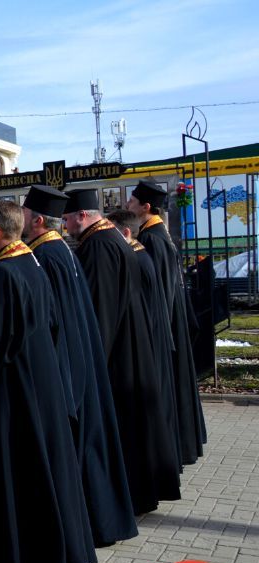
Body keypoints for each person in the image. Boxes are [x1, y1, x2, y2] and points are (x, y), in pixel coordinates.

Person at [0, 201, 97, 563]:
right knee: (40, 469)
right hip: (40, 381)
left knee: (15, 472)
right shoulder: (31, 263)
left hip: (12, 392)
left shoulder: (1, 274)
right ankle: (51, 554)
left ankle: (14, 561)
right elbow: (46, 324)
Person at [23, 186, 137, 547]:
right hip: (81, 358)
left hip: (69, 365)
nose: (20, 222)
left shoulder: (48, 254)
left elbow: (50, 320)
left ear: (38, 219)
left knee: (82, 452)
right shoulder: (62, 249)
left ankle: (92, 526)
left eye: (25, 216)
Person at [64, 188, 181, 514]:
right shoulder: (109, 241)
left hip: (118, 356)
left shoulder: (100, 247)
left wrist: (87, 362)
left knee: (125, 431)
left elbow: (98, 313)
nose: (66, 225)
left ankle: (124, 498)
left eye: (68, 218)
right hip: (130, 347)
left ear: (82, 215)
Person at [128, 180, 206, 465]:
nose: (127, 206)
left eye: (132, 202)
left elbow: (157, 290)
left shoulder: (151, 239)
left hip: (166, 323)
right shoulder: (157, 234)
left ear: (146, 207)